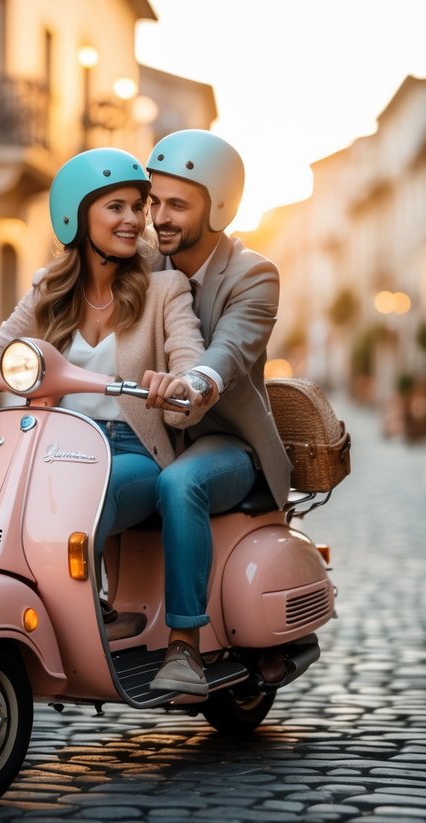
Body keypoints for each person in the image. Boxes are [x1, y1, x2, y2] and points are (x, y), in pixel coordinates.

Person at [0, 147, 205, 638]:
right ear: (77, 215)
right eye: (116, 207)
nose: (133, 219)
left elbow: (189, 353)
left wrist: (181, 382)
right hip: (55, 443)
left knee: (79, 498)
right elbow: (3, 343)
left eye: (137, 207)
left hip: (132, 450)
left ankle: (89, 608)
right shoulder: (50, 286)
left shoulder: (165, 288)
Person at [143, 129, 293, 696]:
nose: (160, 216)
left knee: (182, 484)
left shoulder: (254, 274)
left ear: (219, 207)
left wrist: (195, 380)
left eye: (178, 204)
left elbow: (228, 351)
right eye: (154, 200)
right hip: (153, 430)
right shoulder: (143, 259)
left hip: (228, 443)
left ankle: (184, 648)